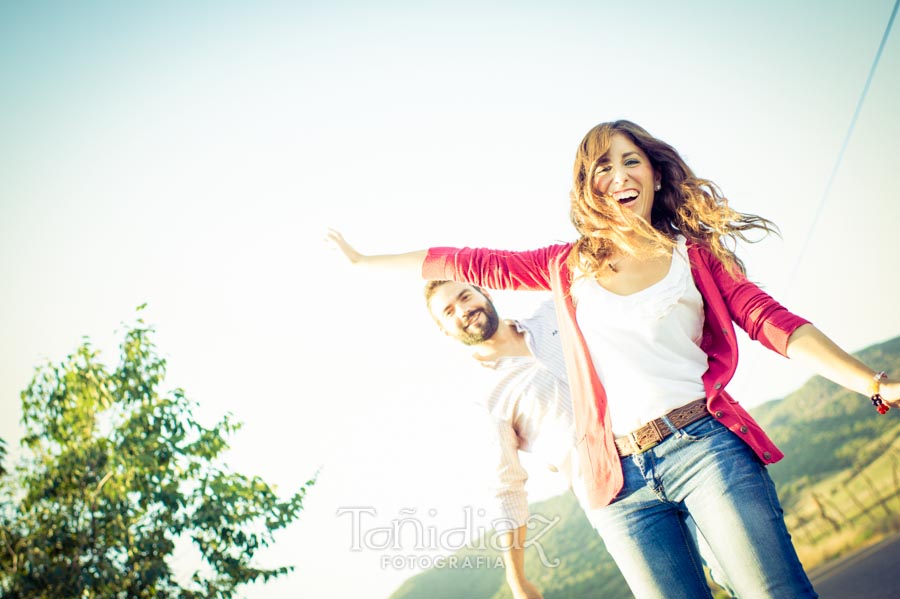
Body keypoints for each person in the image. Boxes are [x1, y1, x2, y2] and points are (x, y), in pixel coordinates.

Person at [326, 119, 899, 599]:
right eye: (602, 166)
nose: (619, 175)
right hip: (615, 487)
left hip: (704, 452)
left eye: (631, 161)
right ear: (587, 185)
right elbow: (465, 260)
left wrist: (873, 381)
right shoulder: (563, 268)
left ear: (653, 173)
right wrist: (362, 265)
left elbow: (773, 323)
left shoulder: (692, 256)